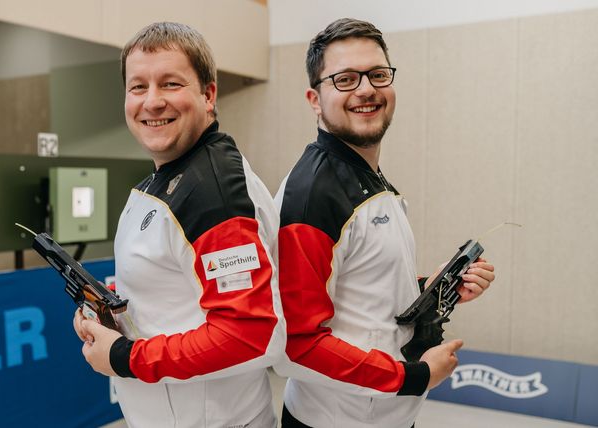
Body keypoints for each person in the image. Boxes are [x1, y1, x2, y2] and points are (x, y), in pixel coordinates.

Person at [274, 18, 496, 427]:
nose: (365, 89)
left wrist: (431, 290)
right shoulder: (312, 195)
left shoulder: (368, 176)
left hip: (387, 414)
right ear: (314, 98)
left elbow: (359, 293)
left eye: (377, 74)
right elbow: (296, 344)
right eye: (344, 79)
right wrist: (416, 376)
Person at [73, 22, 285, 428]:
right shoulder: (167, 180)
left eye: (170, 84)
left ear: (208, 95)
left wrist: (123, 357)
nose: (151, 102)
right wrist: (105, 310)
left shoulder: (212, 193)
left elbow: (250, 336)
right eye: (138, 87)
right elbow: (173, 290)